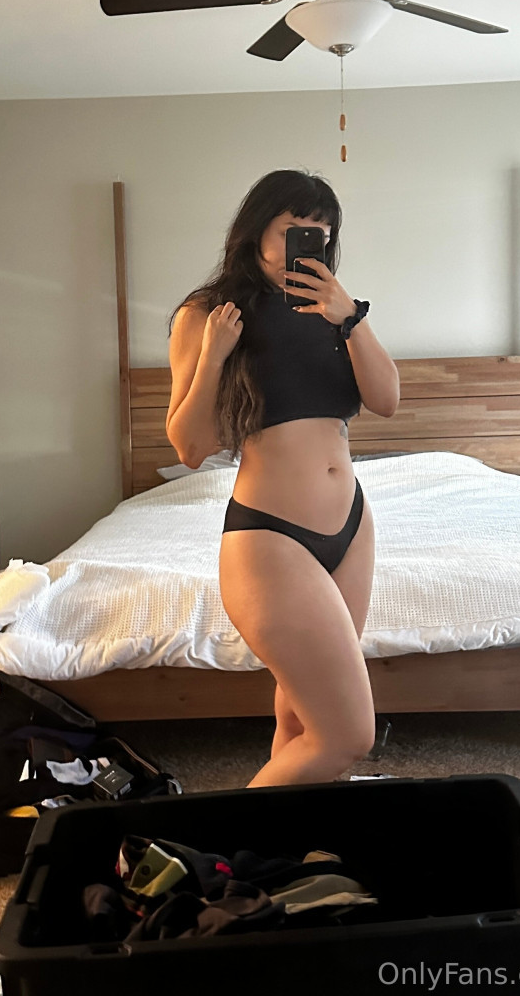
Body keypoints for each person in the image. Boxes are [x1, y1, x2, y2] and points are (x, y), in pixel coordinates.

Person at [165, 169, 399, 786]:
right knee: (348, 735)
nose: (311, 241)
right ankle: (219, 842)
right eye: (296, 228)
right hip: (272, 537)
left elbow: (387, 400)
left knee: (301, 722)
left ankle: (290, 841)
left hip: (351, 527)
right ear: (257, 231)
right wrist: (214, 356)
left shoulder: (335, 310)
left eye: (322, 231)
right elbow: (190, 446)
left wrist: (350, 318)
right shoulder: (207, 314)